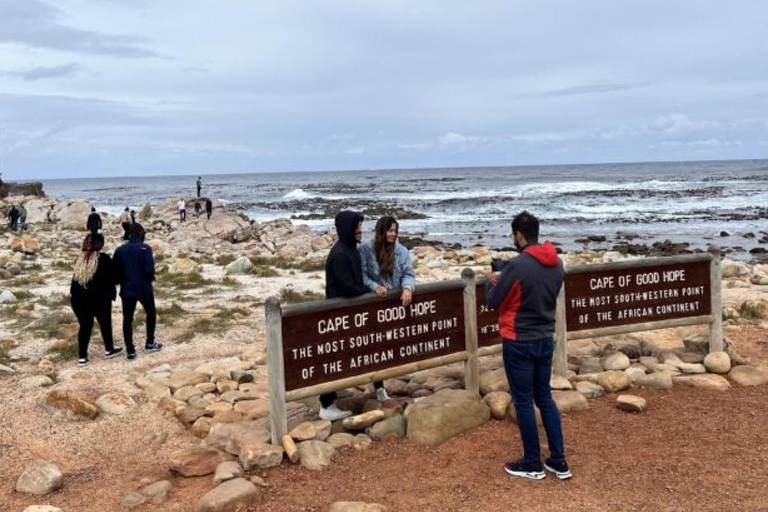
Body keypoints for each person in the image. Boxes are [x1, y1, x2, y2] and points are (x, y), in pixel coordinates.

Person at [485, 211, 570, 481]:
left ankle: (532, 462)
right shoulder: (556, 264)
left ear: (519, 236)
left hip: (518, 340)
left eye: (514, 236)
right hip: (545, 337)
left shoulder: (517, 266)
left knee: (523, 401)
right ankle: (559, 461)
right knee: (544, 397)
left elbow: (494, 301)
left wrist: (492, 279)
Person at [359, 215, 417, 401]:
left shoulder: (402, 251)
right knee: (375, 345)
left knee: (389, 343)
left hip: (393, 305)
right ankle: (378, 386)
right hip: (375, 303)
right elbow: (362, 276)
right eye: (390, 230)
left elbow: (408, 274)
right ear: (381, 231)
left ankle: (380, 382)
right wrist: (374, 287)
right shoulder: (367, 249)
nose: (393, 234)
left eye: (395, 231)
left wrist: (408, 288)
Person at [319, 210, 370, 421]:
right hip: (336, 315)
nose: (360, 231)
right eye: (356, 227)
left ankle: (336, 390)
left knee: (345, 355)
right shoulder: (340, 253)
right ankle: (326, 405)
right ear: (347, 229)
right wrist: (367, 291)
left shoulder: (351, 249)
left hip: (347, 315)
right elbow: (347, 287)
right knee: (335, 357)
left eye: (360, 226)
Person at [70, 234, 123, 366]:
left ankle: (82, 357)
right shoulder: (103, 259)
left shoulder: (80, 260)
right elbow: (116, 278)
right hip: (100, 299)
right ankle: (109, 349)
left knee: (85, 327)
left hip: (79, 299)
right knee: (105, 324)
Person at [113, 223, 163, 360]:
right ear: (141, 234)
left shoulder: (120, 250)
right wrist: (150, 278)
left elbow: (115, 272)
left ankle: (130, 350)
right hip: (144, 288)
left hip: (127, 289)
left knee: (127, 319)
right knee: (151, 313)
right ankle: (150, 342)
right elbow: (149, 270)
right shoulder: (145, 248)